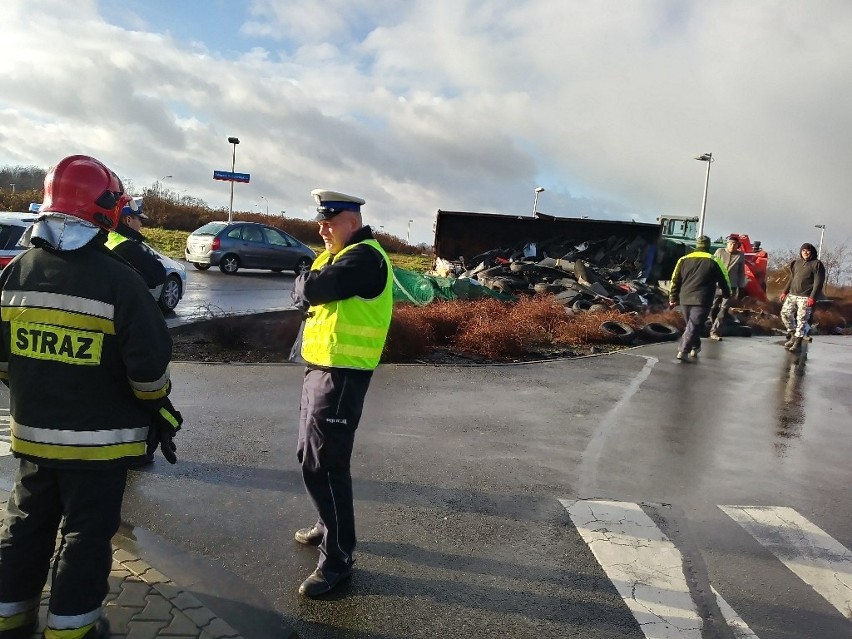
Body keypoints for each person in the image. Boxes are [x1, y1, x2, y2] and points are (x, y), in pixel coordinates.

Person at [0, 155, 182, 639]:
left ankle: (9, 615)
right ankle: (71, 628)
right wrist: (158, 408)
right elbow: (148, 370)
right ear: (105, 211)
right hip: (98, 447)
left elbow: (3, 362)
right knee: (84, 535)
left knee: (25, 526)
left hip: (33, 439)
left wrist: (38, 392)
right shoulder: (119, 281)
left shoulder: (16, 272)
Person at [290, 189, 393, 598]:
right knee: (309, 455)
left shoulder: (364, 256)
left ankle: (338, 559)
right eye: (321, 221)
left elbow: (310, 291)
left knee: (326, 464)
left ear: (351, 221)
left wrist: (304, 285)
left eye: (329, 222)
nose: (321, 229)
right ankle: (325, 523)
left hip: (343, 375)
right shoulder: (333, 255)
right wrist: (305, 284)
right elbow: (307, 289)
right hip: (321, 369)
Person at [669, 235, 731, 361]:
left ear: (697, 245)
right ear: (708, 246)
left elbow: (675, 280)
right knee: (692, 325)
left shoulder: (683, 259)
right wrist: (727, 293)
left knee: (692, 325)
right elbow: (724, 278)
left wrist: (672, 297)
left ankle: (685, 350)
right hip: (703, 299)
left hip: (685, 298)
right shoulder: (714, 260)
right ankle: (691, 347)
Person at [105, 199, 167, 289]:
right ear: (128, 219)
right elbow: (159, 275)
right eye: (139, 219)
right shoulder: (129, 246)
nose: (141, 224)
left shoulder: (106, 236)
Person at [780, 242, 825, 353]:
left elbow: (818, 282)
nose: (805, 252)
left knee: (802, 320)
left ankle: (797, 342)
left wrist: (812, 297)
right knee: (785, 314)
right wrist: (785, 291)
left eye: (808, 250)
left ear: (812, 252)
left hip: (806, 297)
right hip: (793, 294)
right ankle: (792, 334)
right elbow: (792, 278)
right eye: (803, 250)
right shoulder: (797, 263)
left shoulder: (817, 264)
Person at [709, 235, 747, 340]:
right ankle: (713, 325)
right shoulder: (720, 252)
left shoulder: (740, 255)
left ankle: (715, 331)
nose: (732, 246)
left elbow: (741, 272)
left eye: (734, 244)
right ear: (727, 244)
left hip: (731, 286)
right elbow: (712, 265)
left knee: (724, 309)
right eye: (730, 244)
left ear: (737, 246)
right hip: (717, 284)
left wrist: (740, 287)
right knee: (713, 307)